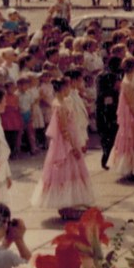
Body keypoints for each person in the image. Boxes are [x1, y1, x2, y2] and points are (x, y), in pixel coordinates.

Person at [29, 77, 96, 216]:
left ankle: (70, 203)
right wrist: (73, 146)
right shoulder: (59, 105)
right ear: (63, 88)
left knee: (72, 171)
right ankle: (66, 206)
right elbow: (64, 130)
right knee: (66, 171)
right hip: (65, 143)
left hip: (69, 138)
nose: (69, 90)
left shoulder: (63, 102)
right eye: (68, 87)